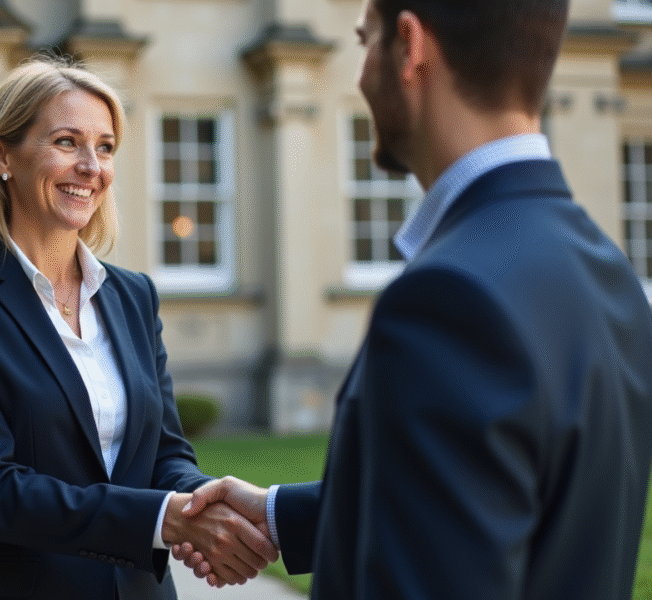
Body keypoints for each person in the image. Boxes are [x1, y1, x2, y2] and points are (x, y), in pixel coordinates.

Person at [176, 0, 652, 598]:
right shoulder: (609, 271)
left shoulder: (446, 297)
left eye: (366, 41)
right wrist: (278, 515)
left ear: (410, 46)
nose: (360, 72)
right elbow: (503, 498)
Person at [0, 56, 277, 600]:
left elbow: (165, 454)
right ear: (2, 155)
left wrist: (206, 501)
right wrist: (165, 518)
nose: (91, 166)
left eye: (104, 147)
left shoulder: (133, 296)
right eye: (67, 142)